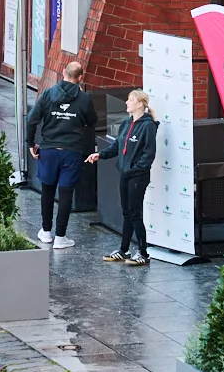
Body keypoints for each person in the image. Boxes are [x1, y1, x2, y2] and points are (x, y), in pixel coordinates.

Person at [21, 62, 99, 249]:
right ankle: (61, 237)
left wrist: (30, 143)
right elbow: (92, 120)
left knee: (47, 191)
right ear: (80, 77)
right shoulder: (84, 98)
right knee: (66, 194)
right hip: (71, 152)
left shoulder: (48, 94)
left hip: (48, 151)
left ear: (63, 73)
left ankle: (46, 232)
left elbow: (32, 119)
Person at [103, 89, 159, 266]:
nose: (127, 103)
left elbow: (149, 154)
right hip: (125, 174)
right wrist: (100, 155)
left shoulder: (148, 126)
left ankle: (143, 253)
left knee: (135, 213)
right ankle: (124, 250)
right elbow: (117, 146)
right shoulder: (127, 123)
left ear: (140, 104)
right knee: (127, 213)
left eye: (130, 100)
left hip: (137, 177)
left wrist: (134, 169)